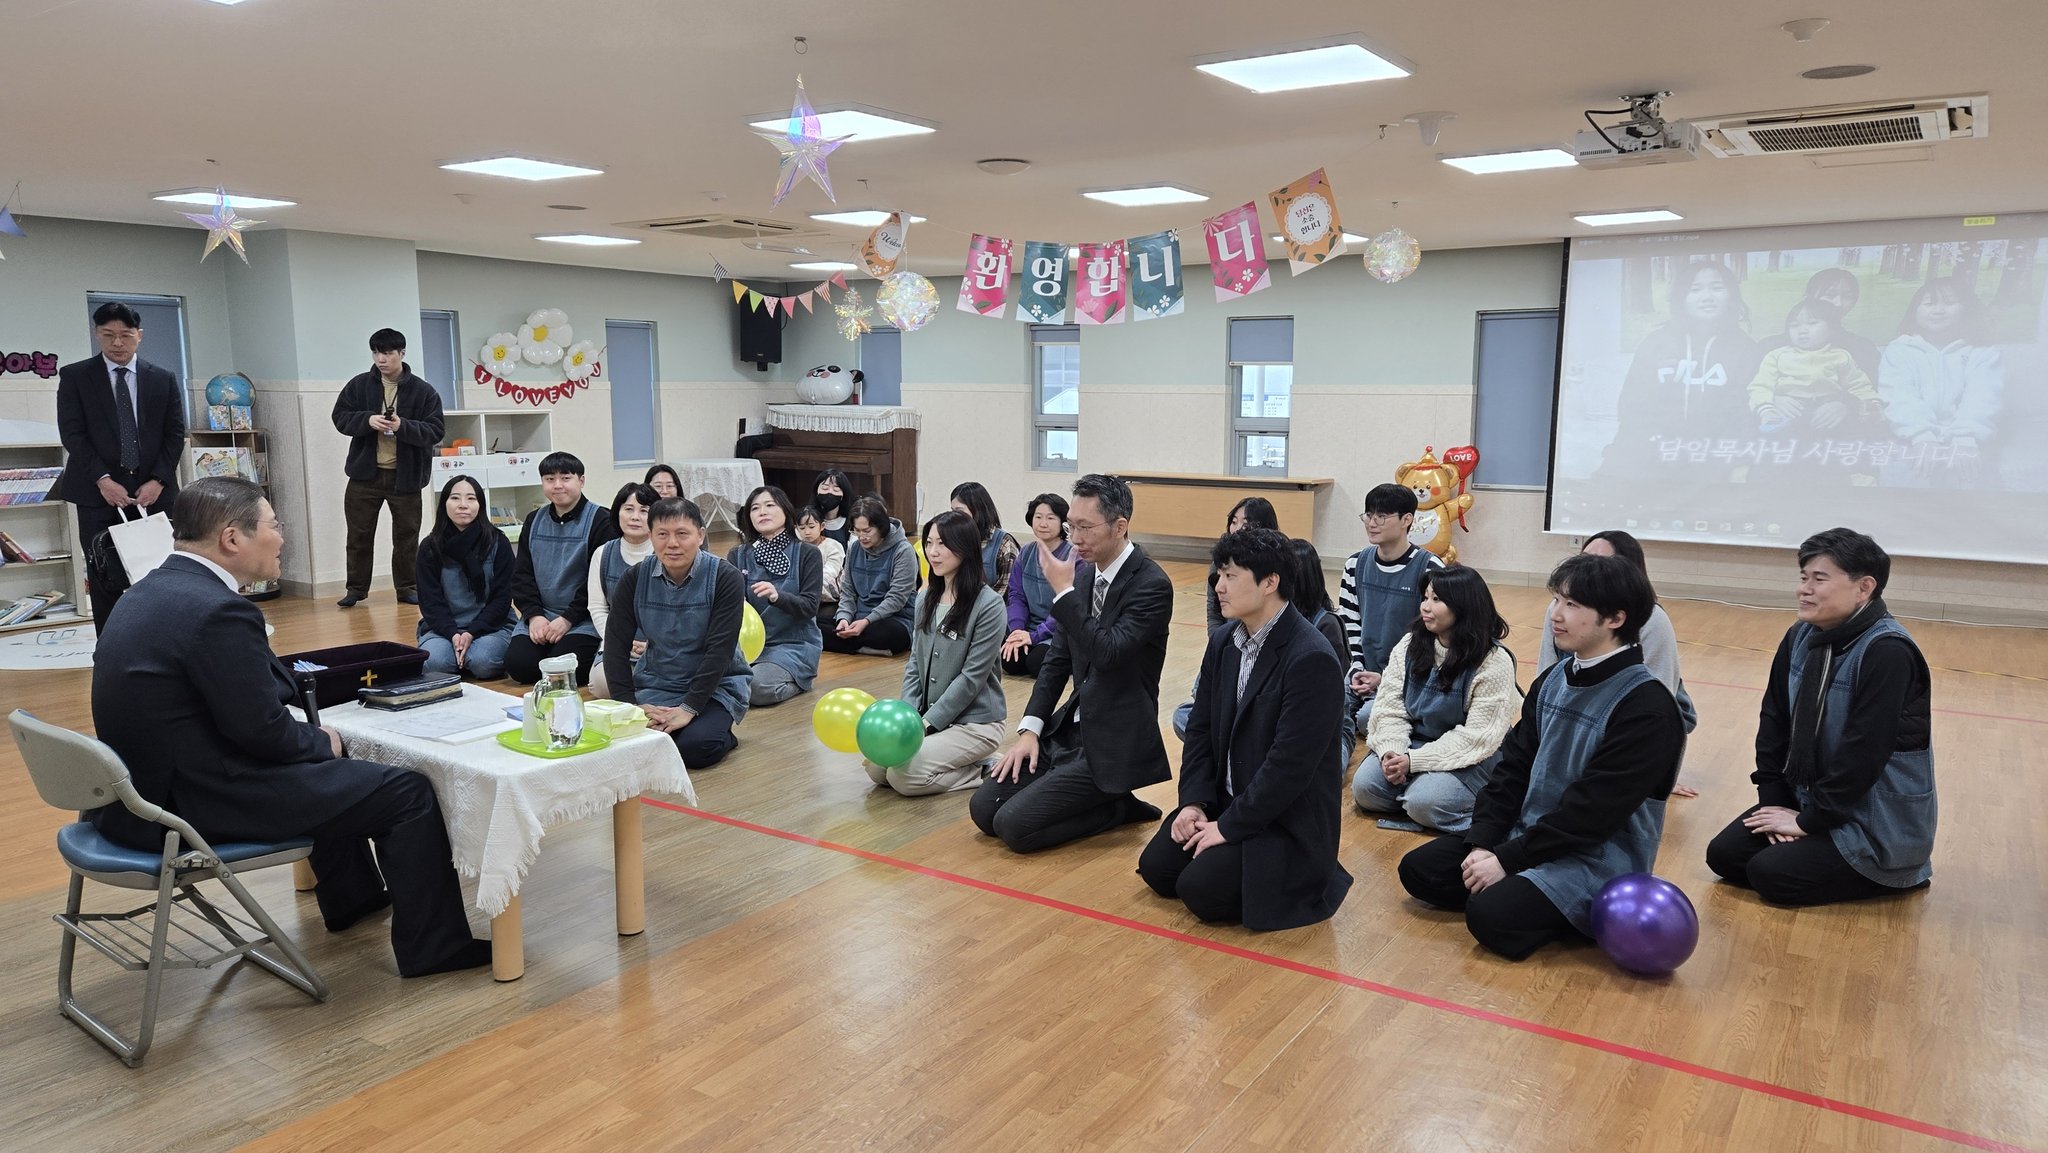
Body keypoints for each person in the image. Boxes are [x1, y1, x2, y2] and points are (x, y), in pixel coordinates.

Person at [87, 477, 488, 977]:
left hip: (135, 798)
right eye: (274, 526)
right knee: (406, 792)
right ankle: (436, 948)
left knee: (329, 763)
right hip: (188, 806)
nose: (282, 538)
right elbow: (262, 733)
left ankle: (353, 898)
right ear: (232, 538)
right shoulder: (218, 610)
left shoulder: (147, 590)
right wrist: (320, 740)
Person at [1397, 553, 1685, 960]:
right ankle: (1517, 891)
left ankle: (1532, 899)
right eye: (1556, 600)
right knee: (1419, 870)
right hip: (1529, 834)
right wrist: (1483, 842)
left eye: (1573, 604)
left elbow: (1592, 814)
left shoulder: (1647, 706)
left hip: (1593, 855)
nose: (1556, 615)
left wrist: (1506, 860)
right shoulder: (1553, 679)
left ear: (1615, 619)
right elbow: (1511, 768)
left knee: (1491, 917)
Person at [1705, 528, 1936, 906]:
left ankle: (1899, 877)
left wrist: (1806, 824)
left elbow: (1863, 755)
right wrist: (1775, 802)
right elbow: (1773, 720)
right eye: (1803, 577)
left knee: (1770, 874)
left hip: (1873, 821)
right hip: (1810, 801)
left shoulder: (1888, 651)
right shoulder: (1800, 635)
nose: (1804, 589)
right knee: (1724, 856)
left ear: (1864, 588)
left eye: (1819, 579)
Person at [1137, 528, 1351, 930]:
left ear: (1270, 583)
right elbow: (1200, 730)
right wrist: (1194, 803)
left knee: (1200, 890)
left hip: (1285, 820)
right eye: (1219, 575)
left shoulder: (1311, 657)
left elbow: (1289, 768)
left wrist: (1228, 827)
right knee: (1158, 869)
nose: (1218, 586)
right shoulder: (1223, 642)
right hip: (1228, 800)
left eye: (1231, 576)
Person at [972, 474, 1172, 853]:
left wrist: (1063, 592)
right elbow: (1056, 662)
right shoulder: (1083, 578)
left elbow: (1108, 654)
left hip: (1114, 741)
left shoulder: (1150, 584)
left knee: (1013, 827)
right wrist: (1030, 731)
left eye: (1084, 527)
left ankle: (1117, 808)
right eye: (1071, 527)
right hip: (1072, 729)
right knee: (984, 810)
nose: (1075, 538)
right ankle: (1103, 798)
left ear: (1119, 527)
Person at [1355, 566, 1518, 833]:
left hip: (1471, 755)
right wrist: (1391, 751)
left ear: (1464, 606)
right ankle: (1418, 797)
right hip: (1414, 744)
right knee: (1366, 790)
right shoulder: (1410, 644)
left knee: (1424, 803)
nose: (1425, 607)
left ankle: (1455, 806)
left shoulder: (1493, 661)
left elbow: (1477, 737)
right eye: (1425, 597)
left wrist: (1413, 761)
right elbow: (1389, 708)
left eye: (1437, 599)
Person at [56, 302, 187, 633]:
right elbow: (72, 434)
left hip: (153, 493)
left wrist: (158, 480)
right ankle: (111, 644)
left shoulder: (163, 378)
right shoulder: (75, 377)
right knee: (104, 573)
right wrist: (103, 480)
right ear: (96, 334)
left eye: (125, 335)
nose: (117, 343)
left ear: (139, 336)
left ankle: (163, 638)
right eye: (108, 335)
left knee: (163, 568)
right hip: (97, 494)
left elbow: (175, 434)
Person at [1539, 530, 1701, 796]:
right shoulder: (1559, 609)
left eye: (1601, 561)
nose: (1588, 568)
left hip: (1635, 710)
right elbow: (1547, 676)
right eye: (1584, 558)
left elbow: (1661, 696)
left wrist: (1661, 774)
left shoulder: (1652, 619)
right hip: (1583, 699)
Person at [866, 511, 1009, 796]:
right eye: (929, 543)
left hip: (975, 724)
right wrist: (908, 718)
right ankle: (960, 759)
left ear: (965, 548)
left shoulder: (989, 605)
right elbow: (914, 664)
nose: (932, 552)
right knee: (877, 768)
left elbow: (972, 678)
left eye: (942, 544)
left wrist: (927, 724)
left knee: (904, 778)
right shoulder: (925, 597)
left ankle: (983, 769)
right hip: (926, 718)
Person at [604, 497, 752, 770]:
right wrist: (629, 706)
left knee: (696, 748)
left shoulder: (725, 577)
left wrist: (689, 708)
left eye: (682, 534)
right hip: (656, 683)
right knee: (623, 744)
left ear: (700, 535)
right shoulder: (634, 578)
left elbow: (719, 651)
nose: (672, 543)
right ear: (651, 536)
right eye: (662, 534)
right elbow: (615, 645)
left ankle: (721, 733)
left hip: (716, 687)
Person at [1605, 260, 1762, 475]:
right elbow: (1632, 406)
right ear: (1681, 297)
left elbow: (1746, 414)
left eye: (1717, 288)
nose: (1707, 297)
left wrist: (1740, 462)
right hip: (1654, 456)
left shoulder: (1745, 348)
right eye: (1695, 289)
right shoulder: (1656, 343)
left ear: (1731, 296)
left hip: (1715, 460)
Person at [331, 328, 446, 608]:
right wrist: (367, 421)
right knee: (358, 535)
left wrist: (402, 426)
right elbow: (340, 417)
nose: (381, 359)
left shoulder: (424, 391)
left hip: (406, 478)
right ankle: (356, 589)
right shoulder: (359, 385)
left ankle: (407, 587)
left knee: (407, 536)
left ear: (401, 353)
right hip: (363, 476)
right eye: (376, 353)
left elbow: (436, 430)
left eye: (387, 353)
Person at [1337, 483, 1443, 737]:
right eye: (1368, 515)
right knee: (1320, 707)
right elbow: (1349, 624)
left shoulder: (1429, 568)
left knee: (1367, 719)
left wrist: (1385, 678)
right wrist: (1356, 669)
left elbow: (1435, 640)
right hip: (1360, 672)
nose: (1372, 523)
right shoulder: (1355, 564)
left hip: (1407, 678)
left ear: (1407, 520)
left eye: (1382, 516)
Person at [1171, 497, 1282, 740]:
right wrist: (1218, 642)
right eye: (1234, 521)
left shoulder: (1272, 566)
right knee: (1185, 715)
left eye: (1247, 523)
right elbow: (1213, 610)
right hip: (1228, 644)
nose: (1238, 528)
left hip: (1258, 649)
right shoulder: (1221, 558)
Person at [1877, 276, 2002, 488]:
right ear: (1915, 311)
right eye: (1929, 303)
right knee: (1909, 473)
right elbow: (1899, 396)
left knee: (1972, 474)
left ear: (1967, 309)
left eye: (1950, 303)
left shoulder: (1983, 352)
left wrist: (1965, 438)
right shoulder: (1899, 349)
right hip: (1910, 432)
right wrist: (1922, 436)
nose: (1938, 310)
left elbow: (1983, 397)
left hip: (1970, 435)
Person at [504, 452, 614, 685]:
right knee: (519, 667)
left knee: (563, 670)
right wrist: (534, 616)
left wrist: (567, 619)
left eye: (565, 478)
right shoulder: (533, 520)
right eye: (549, 479)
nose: (557, 485)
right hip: (541, 615)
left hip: (583, 618)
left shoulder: (601, 520)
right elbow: (522, 575)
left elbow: (598, 582)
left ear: (581, 481)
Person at [726, 485, 823, 706]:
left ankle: (799, 681)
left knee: (757, 687)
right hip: (745, 647)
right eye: (755, 508)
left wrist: (777, 596)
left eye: (770, 505)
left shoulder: (807, 553)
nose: (762, 512)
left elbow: (810, 607)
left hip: (792, 645)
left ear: (786, 511)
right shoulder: (738, 555)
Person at [414, 475, 517, 680]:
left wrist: (472, 632)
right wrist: (453, 633)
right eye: (455, 498)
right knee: (436, 663)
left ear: (480, 505)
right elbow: (430, 601)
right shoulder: (429, 547)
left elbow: (502, 598)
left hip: (492, 627)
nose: (463, 505)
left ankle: (465, 656)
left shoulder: (498, 542)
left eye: (471, 498)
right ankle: (459, 655)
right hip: (442, 629)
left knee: (483, 662)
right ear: (444, 504)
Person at [1749, 298, 1881, 437]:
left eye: (1812, 323)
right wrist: (1767, 410)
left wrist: (1872, 406)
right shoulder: (1777, 356)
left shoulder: (1841, 356)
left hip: (1828, 412)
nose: (1802, 331)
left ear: (1832, 329)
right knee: (1772, 436)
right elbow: (1761, 386)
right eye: (1794, 325)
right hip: (1788, 411)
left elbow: (1859, 385)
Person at [587, 483, 657, 699]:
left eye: (644, 510)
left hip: (661, 645)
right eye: (628, 509)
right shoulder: (603, 553)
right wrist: (620, 641)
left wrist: (653, 645)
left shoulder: (666, 553)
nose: (635, 517)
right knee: (601, 686)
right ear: (617, 512)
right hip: (617, 642)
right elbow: (597, 608)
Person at [823, 495, 917, 656]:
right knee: (811, 623)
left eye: (867, 531)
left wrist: (866, 622)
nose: (861, 537)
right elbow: (848, 590)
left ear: (881, 527)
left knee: (889, 634)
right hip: (858, 616)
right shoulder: (855, 548)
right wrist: (844, 618)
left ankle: (846, 644)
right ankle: (862, 646)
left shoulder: (903, 550)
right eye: (856, 531)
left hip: (893, 619)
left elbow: (897, 598)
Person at [1287, 537, 1354, 761]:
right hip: (1286, 721)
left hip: (1328, 726)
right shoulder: (1273, 618)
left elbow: (1323, 701)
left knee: (1316, 772)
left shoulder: (1327, 625)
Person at [1758, 268, 1881, 377]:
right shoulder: (1770, 347)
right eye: (1830, 295)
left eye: (1847, 296)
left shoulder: (1863, 348)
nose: (1838, 303)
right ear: (1807, 297)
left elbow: (1866, 390)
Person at [1002, 493, 1072, 678]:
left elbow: (1068, 608)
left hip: (1059, 631)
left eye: (1051, 518)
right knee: (1010, 662)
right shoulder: (1026, 552)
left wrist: (1034, 637)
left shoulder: (1072, 557)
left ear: (1063, 522)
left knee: (1037, 664)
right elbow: (1016, 596)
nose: (1043, 523)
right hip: (1030, 627)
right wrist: (1017, 630)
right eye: (1038, 517)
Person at [949, 481, 1021, 597]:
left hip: (990, 606)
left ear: (977, 510)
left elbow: (1006, 592)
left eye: (959, 511)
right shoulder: (953, 538)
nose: (954, 517)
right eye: (952, 511)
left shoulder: (1004, 542)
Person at [797, 504, 846, 630]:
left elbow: (830, 573)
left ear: (822, 526)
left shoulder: (833, 546)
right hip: (801, 598)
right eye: (802, 528)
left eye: (811, 526)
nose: (807, 532)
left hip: (829, 600)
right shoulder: (795, 548)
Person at [812, 468, 853, 546]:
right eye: (825, 488)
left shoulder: (851, 522)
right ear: (816, 491)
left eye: (836, 489)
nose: (830, 492)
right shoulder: (807, 519)